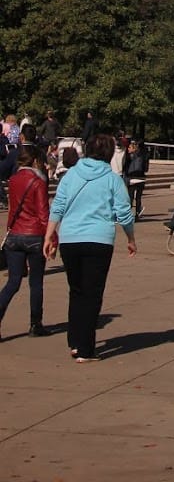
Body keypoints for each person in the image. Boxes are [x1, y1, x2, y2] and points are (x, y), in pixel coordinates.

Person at [43, 133, 136, 362]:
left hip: (71, 239)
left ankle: (75, 341)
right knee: (92, 294)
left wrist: (49, 235)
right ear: (108, 153)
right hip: (99, 240)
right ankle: (85, 348)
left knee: (76, 291)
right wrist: (130, 238)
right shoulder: (112, 179)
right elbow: (123, 212)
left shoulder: (71, 174)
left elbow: (58, 206)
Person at [0, 143, 50, 338]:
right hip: (34, 235)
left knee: (13, 282)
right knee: (36, 282)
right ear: (35, 160)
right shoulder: (38, 182)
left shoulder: (13, 180)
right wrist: (52, 238)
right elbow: (43, 214)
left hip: (15, 236)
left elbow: (13, 210)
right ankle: (35, 324)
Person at [123, 139, 149, 217]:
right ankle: (138, 211)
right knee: (138, 196)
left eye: (129, 148)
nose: (128, 149)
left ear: (134, 148)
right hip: (141, 177)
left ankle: (128, 213)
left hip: (131, 176)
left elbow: (125, 167)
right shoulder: (145, 156)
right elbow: (146, 168)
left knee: (130, 196)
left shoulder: (129, 156)